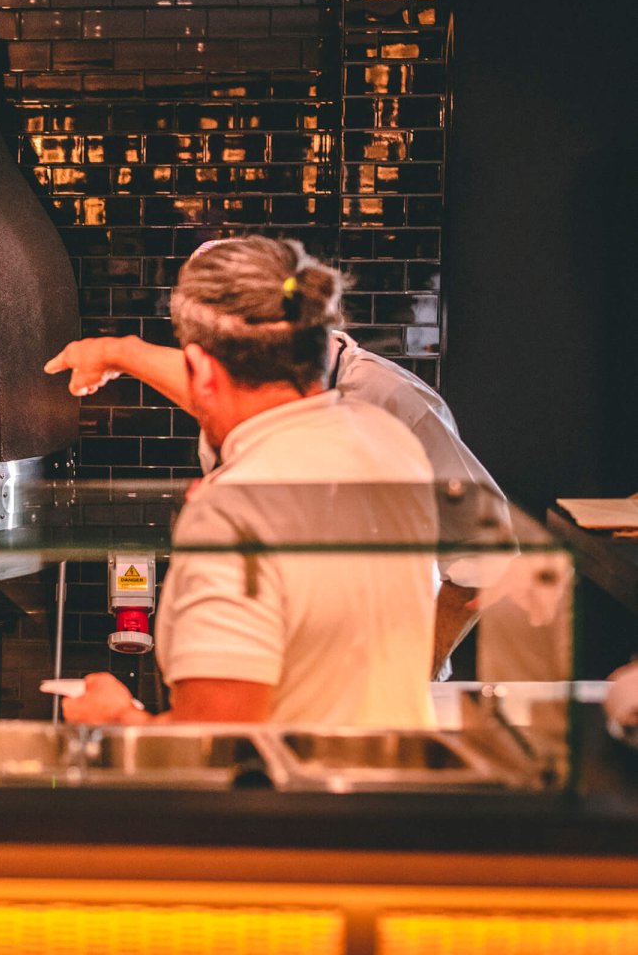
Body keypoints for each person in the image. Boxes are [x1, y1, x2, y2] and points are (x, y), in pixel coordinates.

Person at [46, 241, 512, 678]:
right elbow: (206, 386)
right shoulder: (272, 380)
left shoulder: (391, 406)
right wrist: (116, 352)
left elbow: (484, 552)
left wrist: (415, 668)